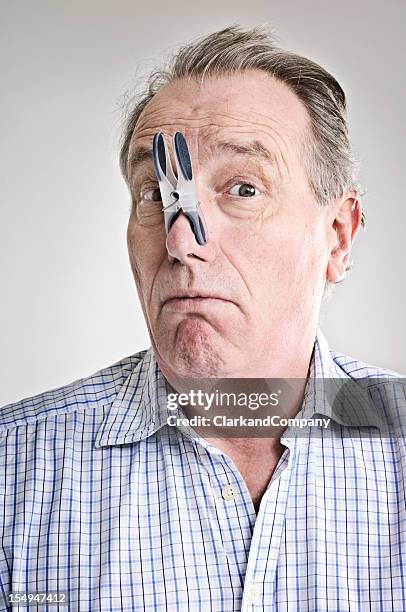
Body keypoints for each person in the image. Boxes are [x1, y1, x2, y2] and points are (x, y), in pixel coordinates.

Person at [1, 25, 405, 612]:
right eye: (156, 195)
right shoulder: (13, 475)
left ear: (337, 237)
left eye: (242, 188)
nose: (182, 239)